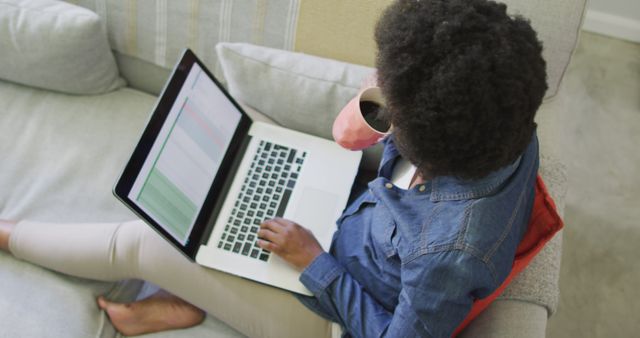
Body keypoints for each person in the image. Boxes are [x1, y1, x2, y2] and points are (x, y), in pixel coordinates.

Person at [0, 0, 547, 336]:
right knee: (244, 138)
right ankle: (189, 296)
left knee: (144, 244)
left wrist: (312, 261)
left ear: (433, 140)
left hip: (329, 312)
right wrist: (381, 111)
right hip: (351, 216)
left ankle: (11, 234)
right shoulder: (504, 117)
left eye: (395, 107)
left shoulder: (446, 255)